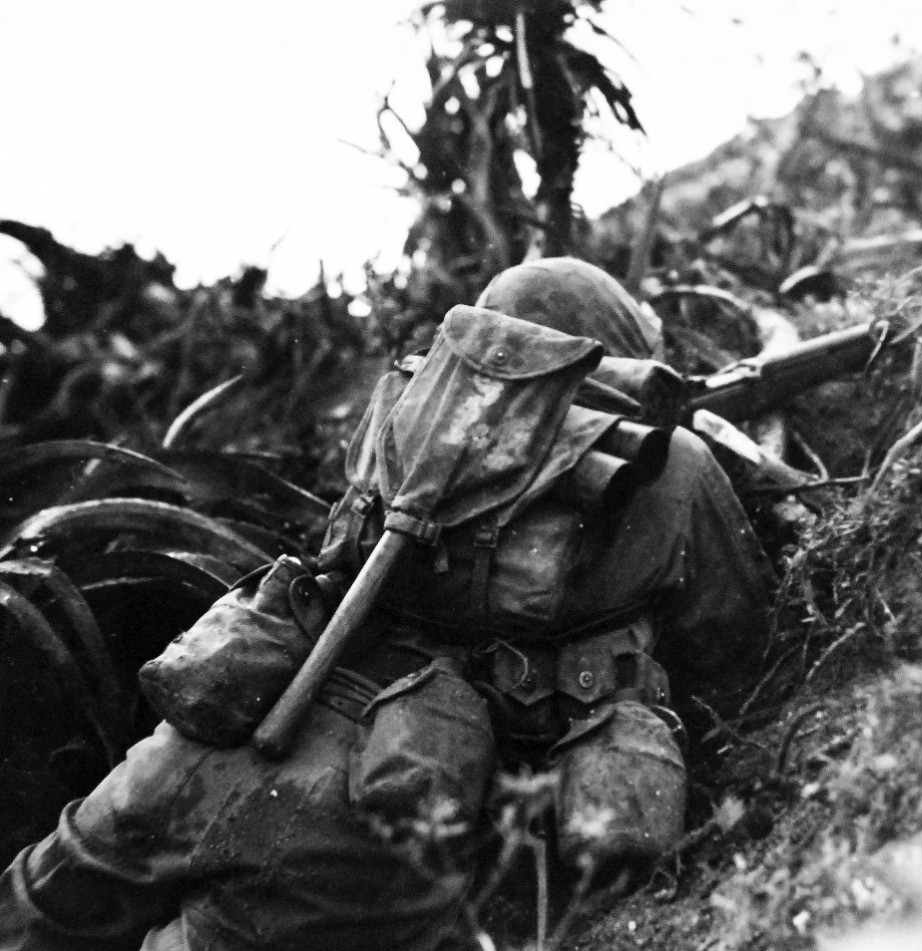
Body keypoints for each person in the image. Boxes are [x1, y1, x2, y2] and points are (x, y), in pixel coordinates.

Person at [0, 258, 776, 950]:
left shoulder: (402, 420)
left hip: (208, 741)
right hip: (368, 815)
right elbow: (735, 644)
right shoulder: (669, 465)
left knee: (35, 909)